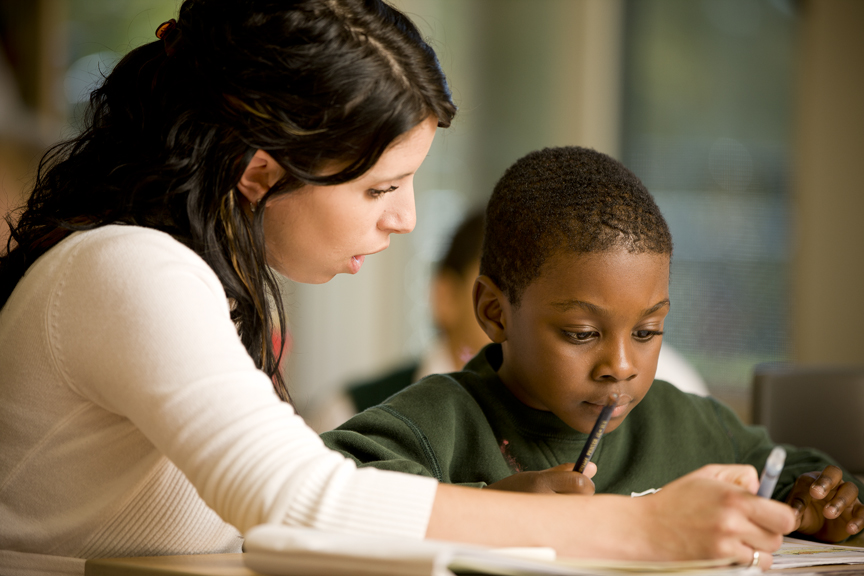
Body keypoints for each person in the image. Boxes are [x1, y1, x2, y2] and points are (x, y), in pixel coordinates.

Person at [0, 1, 796, 573]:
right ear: (260, 171)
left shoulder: (179, 274)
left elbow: (271, 527)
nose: (406, 220)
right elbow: (295, 501)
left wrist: (509, 508)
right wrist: (643, 530)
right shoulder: (131, 267)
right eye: (381, 189)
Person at [321, 147, 864, 547]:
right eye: (582, 334)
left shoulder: (685, 423)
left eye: (647, 333)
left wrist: (817, 507)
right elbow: (317, 494)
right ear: (494, 313)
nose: (621, 367)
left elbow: (797, 472)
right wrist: (490, 511)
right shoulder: (438, 420)